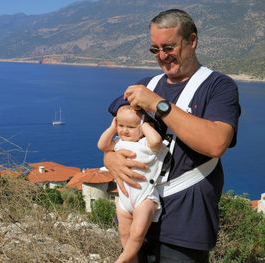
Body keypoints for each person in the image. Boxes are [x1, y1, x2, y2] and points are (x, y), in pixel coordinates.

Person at [103, 9, 241, 263]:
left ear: (192, 40)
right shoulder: (146, 85)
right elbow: (117, 130)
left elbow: (216, 143)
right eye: (155, 49)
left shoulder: (218, 87)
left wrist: (158, 104)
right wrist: (109, 158)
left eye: (168, 47)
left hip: (185, 228)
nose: (162, 56)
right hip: (137, 220)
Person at [98, 105, 169, 263]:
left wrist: (145, 126)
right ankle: (131, 260)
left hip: (144, 198)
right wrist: (112, 128)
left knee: (137, 233)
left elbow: (157, 141)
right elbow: (102, 145)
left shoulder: (147, 145)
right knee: (124, 233)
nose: (125, 130)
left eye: (131, 127)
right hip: (124, 200)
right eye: (121, 126)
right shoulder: (118, 143)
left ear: (143, 127)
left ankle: (122, 259)